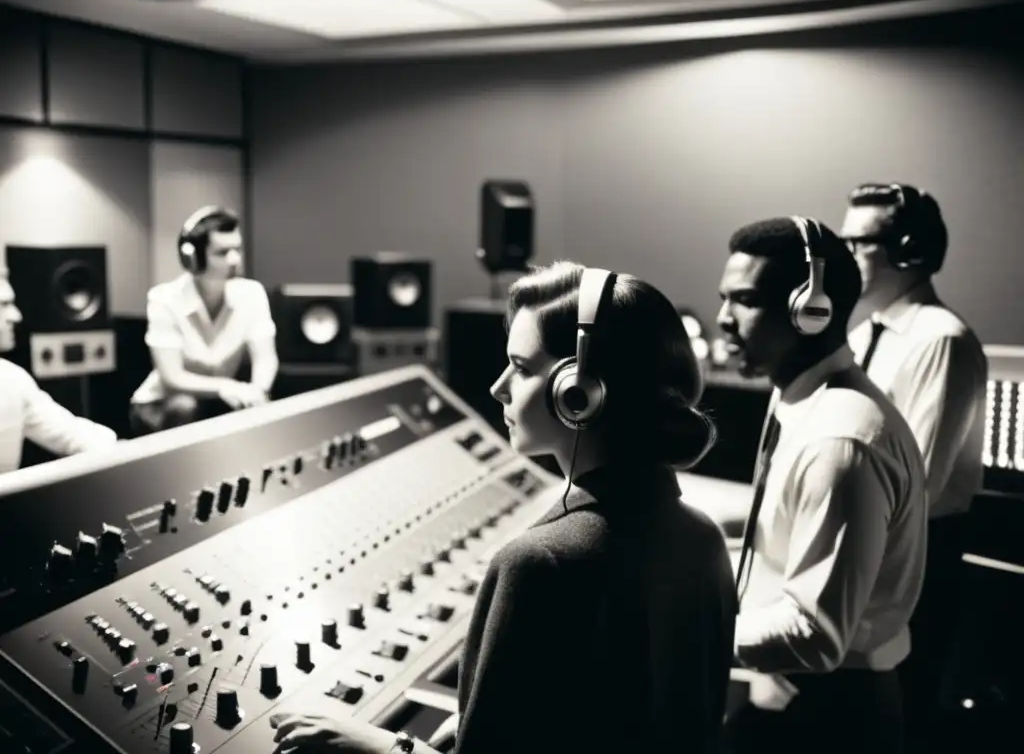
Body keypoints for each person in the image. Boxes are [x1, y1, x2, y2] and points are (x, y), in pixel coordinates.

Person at [268, 261, 738, 754]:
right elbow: (619, 709)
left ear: (579, 394)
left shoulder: (540, 562)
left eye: (521, 367)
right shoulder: (704, 538)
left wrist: (371, 742)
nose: (498, 387)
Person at [717, 217, 928, 754]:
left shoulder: (841, 440)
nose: (723, 319)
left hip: (831, 715)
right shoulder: (802, 395)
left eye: (744, 301)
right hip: (795, 694)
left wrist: (677, 626)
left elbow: (814, 634)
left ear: (811, 311)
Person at [840, 183, 987, 751]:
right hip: (873, 544)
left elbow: (912, 482)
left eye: (859, 241)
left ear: (906, 249)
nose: (846, 254)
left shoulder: (940, 340)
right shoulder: (860, 332)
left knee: (898, 715)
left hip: (916, 553)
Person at [128, 206, 279, 435]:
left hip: (218, 401)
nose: (235, 259)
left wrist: (258, 392)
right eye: (222, 252)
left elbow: (266, 358)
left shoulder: (252, 293)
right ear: (193, 258)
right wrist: (227, 387)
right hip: (161, 406)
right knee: (184, 405)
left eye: (237, 249)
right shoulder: (164, 299)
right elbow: (172, 377)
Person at [0, 266, 117, 474]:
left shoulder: (13, 380)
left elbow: (72, 435)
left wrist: (127, 453)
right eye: (4, 305)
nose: (16, 316)